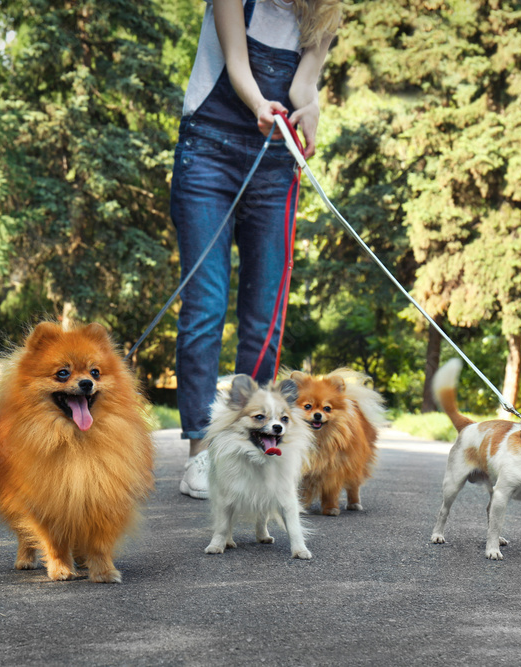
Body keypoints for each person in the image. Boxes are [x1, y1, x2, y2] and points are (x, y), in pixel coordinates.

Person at [172, 0, 342, 498]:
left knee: (265, 313)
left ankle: (246, 447)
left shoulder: (325, 10)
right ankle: (201, 454)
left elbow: (300, 85)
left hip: (273, 162)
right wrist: (256, 104)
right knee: (205, 306)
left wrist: (310, 107)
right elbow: (237, 63)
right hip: (207, 151)